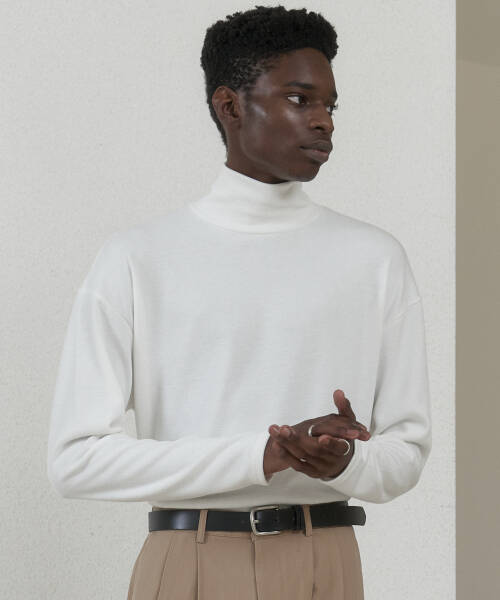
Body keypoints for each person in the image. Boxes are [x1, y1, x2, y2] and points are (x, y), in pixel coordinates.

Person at [47, 5, 432, 600]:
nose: (323, 121)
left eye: (331, 105)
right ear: (229, 106)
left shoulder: (375, 258)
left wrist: (347, 464)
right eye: (300, 99)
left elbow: (406, 451)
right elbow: (76, 460)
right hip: (191, 560)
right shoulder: (138, 258)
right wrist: (262, 454)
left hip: (327, 562)